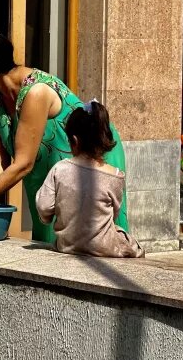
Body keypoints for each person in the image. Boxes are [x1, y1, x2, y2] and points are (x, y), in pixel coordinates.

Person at [0, 30, 130, 242]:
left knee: (88, 241)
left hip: (91, 158)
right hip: (48, 167)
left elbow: (23, 164)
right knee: (50, 236)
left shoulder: (36, 92)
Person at [35, 101, 144, 257]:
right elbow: (113, 214)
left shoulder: (59, 169)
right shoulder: (115, 175)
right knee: (134, 247)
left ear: (75, 141)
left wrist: (49, 218)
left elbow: (44, 206)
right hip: (106, 248)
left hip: (66, 246)